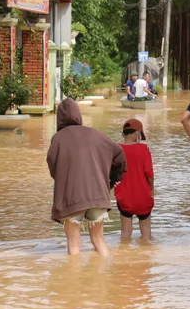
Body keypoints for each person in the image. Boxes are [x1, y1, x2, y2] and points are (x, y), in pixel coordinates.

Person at [47, 98, 127, 256]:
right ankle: (106, 276)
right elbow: (119, 155)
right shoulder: (96, 134)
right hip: (98, 197)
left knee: (74, 246)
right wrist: (110, 180)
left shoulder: (58, 139)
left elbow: (53, 166)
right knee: (99, 240)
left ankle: (75, 280)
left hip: (72, 200)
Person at [114, 119, 155, 241]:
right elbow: (149, 174)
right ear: (138, 133)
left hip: (124, 197)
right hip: (143, 196)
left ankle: (124, 256)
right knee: (146, 231)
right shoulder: (143, 149)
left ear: (123, 134)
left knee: (126, 232)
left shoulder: (116, 149)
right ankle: (146, 256)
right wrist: (151, 188)